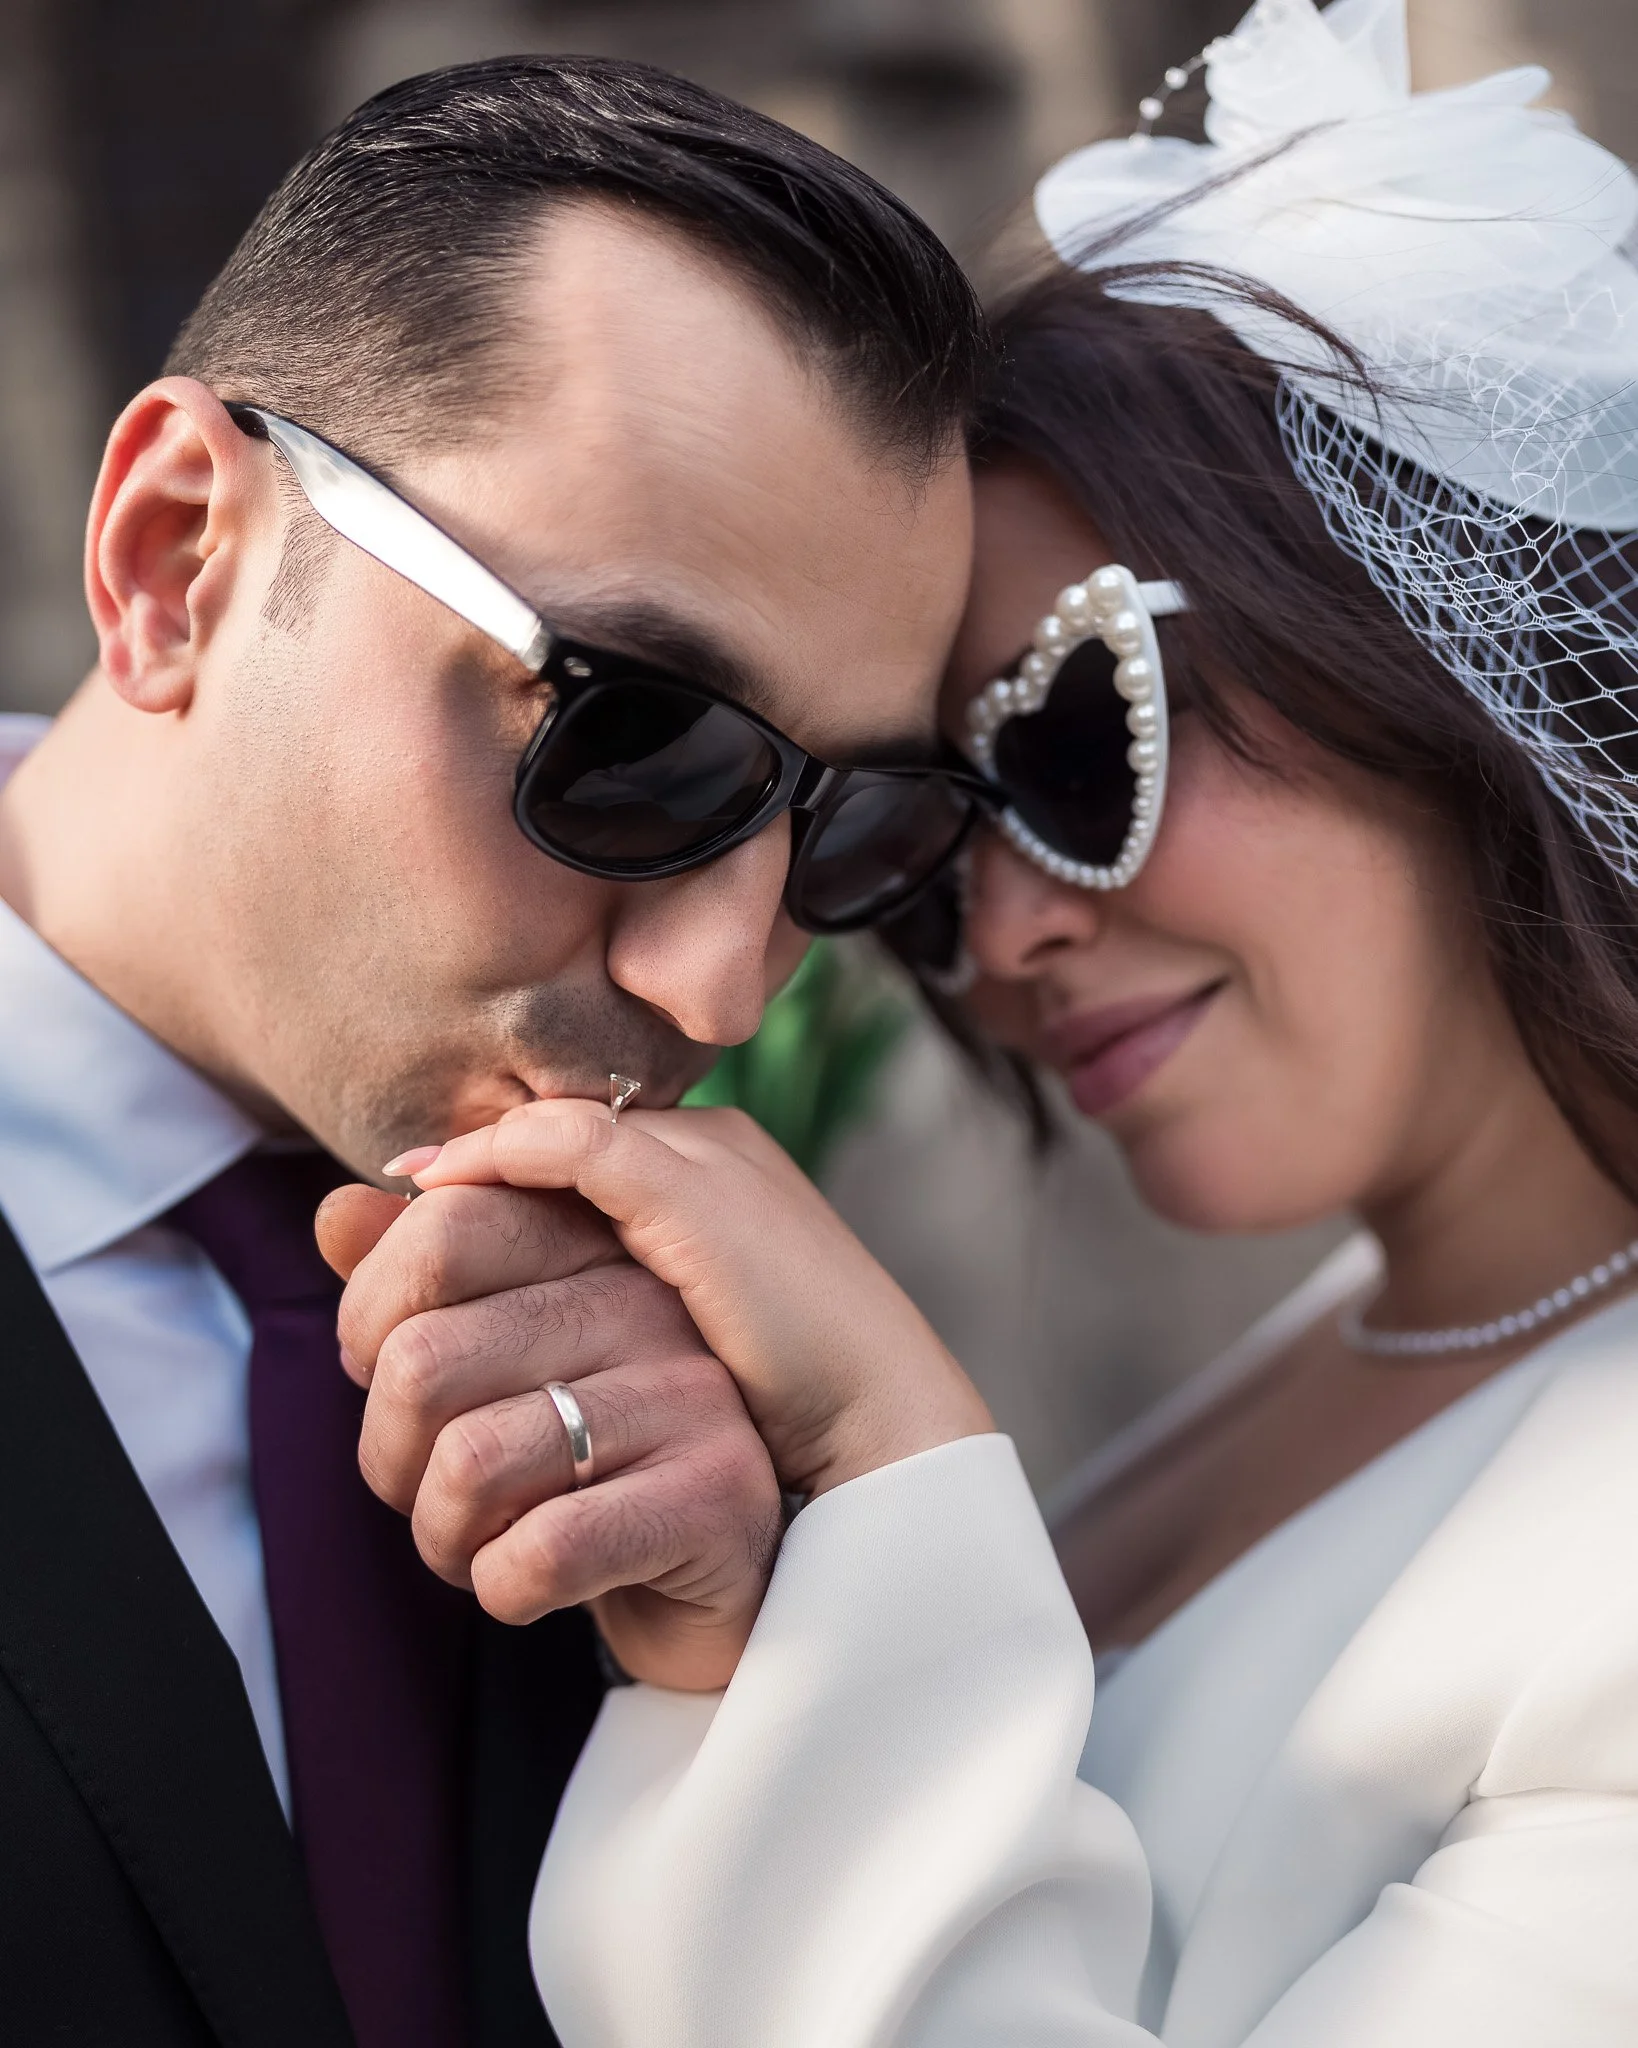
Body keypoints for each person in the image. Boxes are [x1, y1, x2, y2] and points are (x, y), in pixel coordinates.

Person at [365, 3, 1638, 2040]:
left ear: (1420, 651)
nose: (1006, 932)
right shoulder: (1382, 1325)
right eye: (920, 838)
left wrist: (882, 1454)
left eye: (1073, 735)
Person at [0, 53, 988, 2048]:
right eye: (635, 745)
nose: (726, 992)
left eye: (852, 832)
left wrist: (748, 1666)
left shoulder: (715, 1446)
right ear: (177, 554)